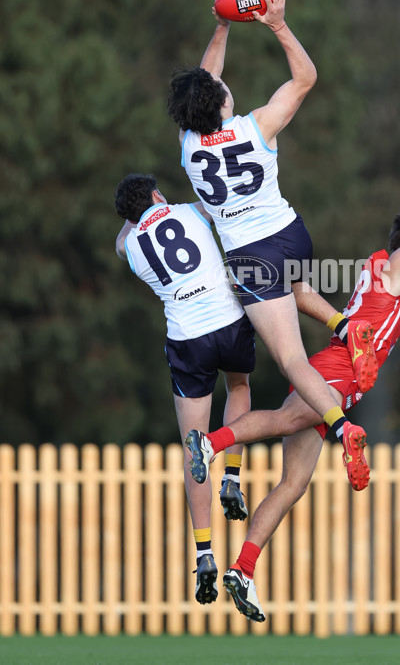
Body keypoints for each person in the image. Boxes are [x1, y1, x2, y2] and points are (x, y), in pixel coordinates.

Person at [185, 164, 400, 621]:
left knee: (293, 483)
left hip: (333, 373)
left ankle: (243, 569)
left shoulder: (398, 284)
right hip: (337, 371)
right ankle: (209, 444)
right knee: (288, 420)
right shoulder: (395, 267)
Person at [167, 0, 376, 491]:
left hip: (250, 258)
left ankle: (342, 427)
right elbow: (306, 78)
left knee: (291, 360)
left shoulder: (188, 147)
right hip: (291, 235)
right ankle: (347, 326)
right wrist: (276, 24)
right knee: (297, 291)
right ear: (222, 100)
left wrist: (222, 24)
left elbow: (204, 80)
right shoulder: (258, 125)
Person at [114, 173, 256, 606]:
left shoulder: (133, 247)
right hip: (227, 322)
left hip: (187, 338)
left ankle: (205, 553)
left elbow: (123, 240)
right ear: (158, 195)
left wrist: (132, 216)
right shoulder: (192, 210)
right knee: (240, 387)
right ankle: (232, 478)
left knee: (193, 447)